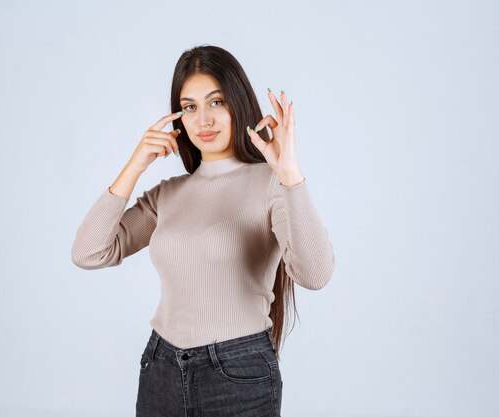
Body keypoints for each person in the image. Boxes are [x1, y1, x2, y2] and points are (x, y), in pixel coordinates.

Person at [71, 44, 335, 417]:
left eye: (216, 102)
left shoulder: (272, 183)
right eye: (190, 106)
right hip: (161, 368)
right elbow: (89, 252)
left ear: (238, 104)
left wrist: (289, 173)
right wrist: (135, 165)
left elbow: (315, 274)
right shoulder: (168, 194)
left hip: (237, 373)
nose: (204, 120)